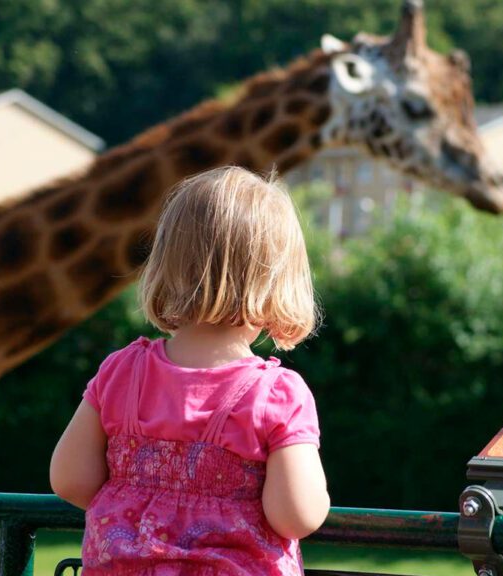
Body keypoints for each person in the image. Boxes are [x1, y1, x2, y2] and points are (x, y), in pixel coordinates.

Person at [50, 166, 330, 575]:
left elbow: (70, 479)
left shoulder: (122, 372)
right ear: (275, 282)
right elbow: (296, 515)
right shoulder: (276, 395)